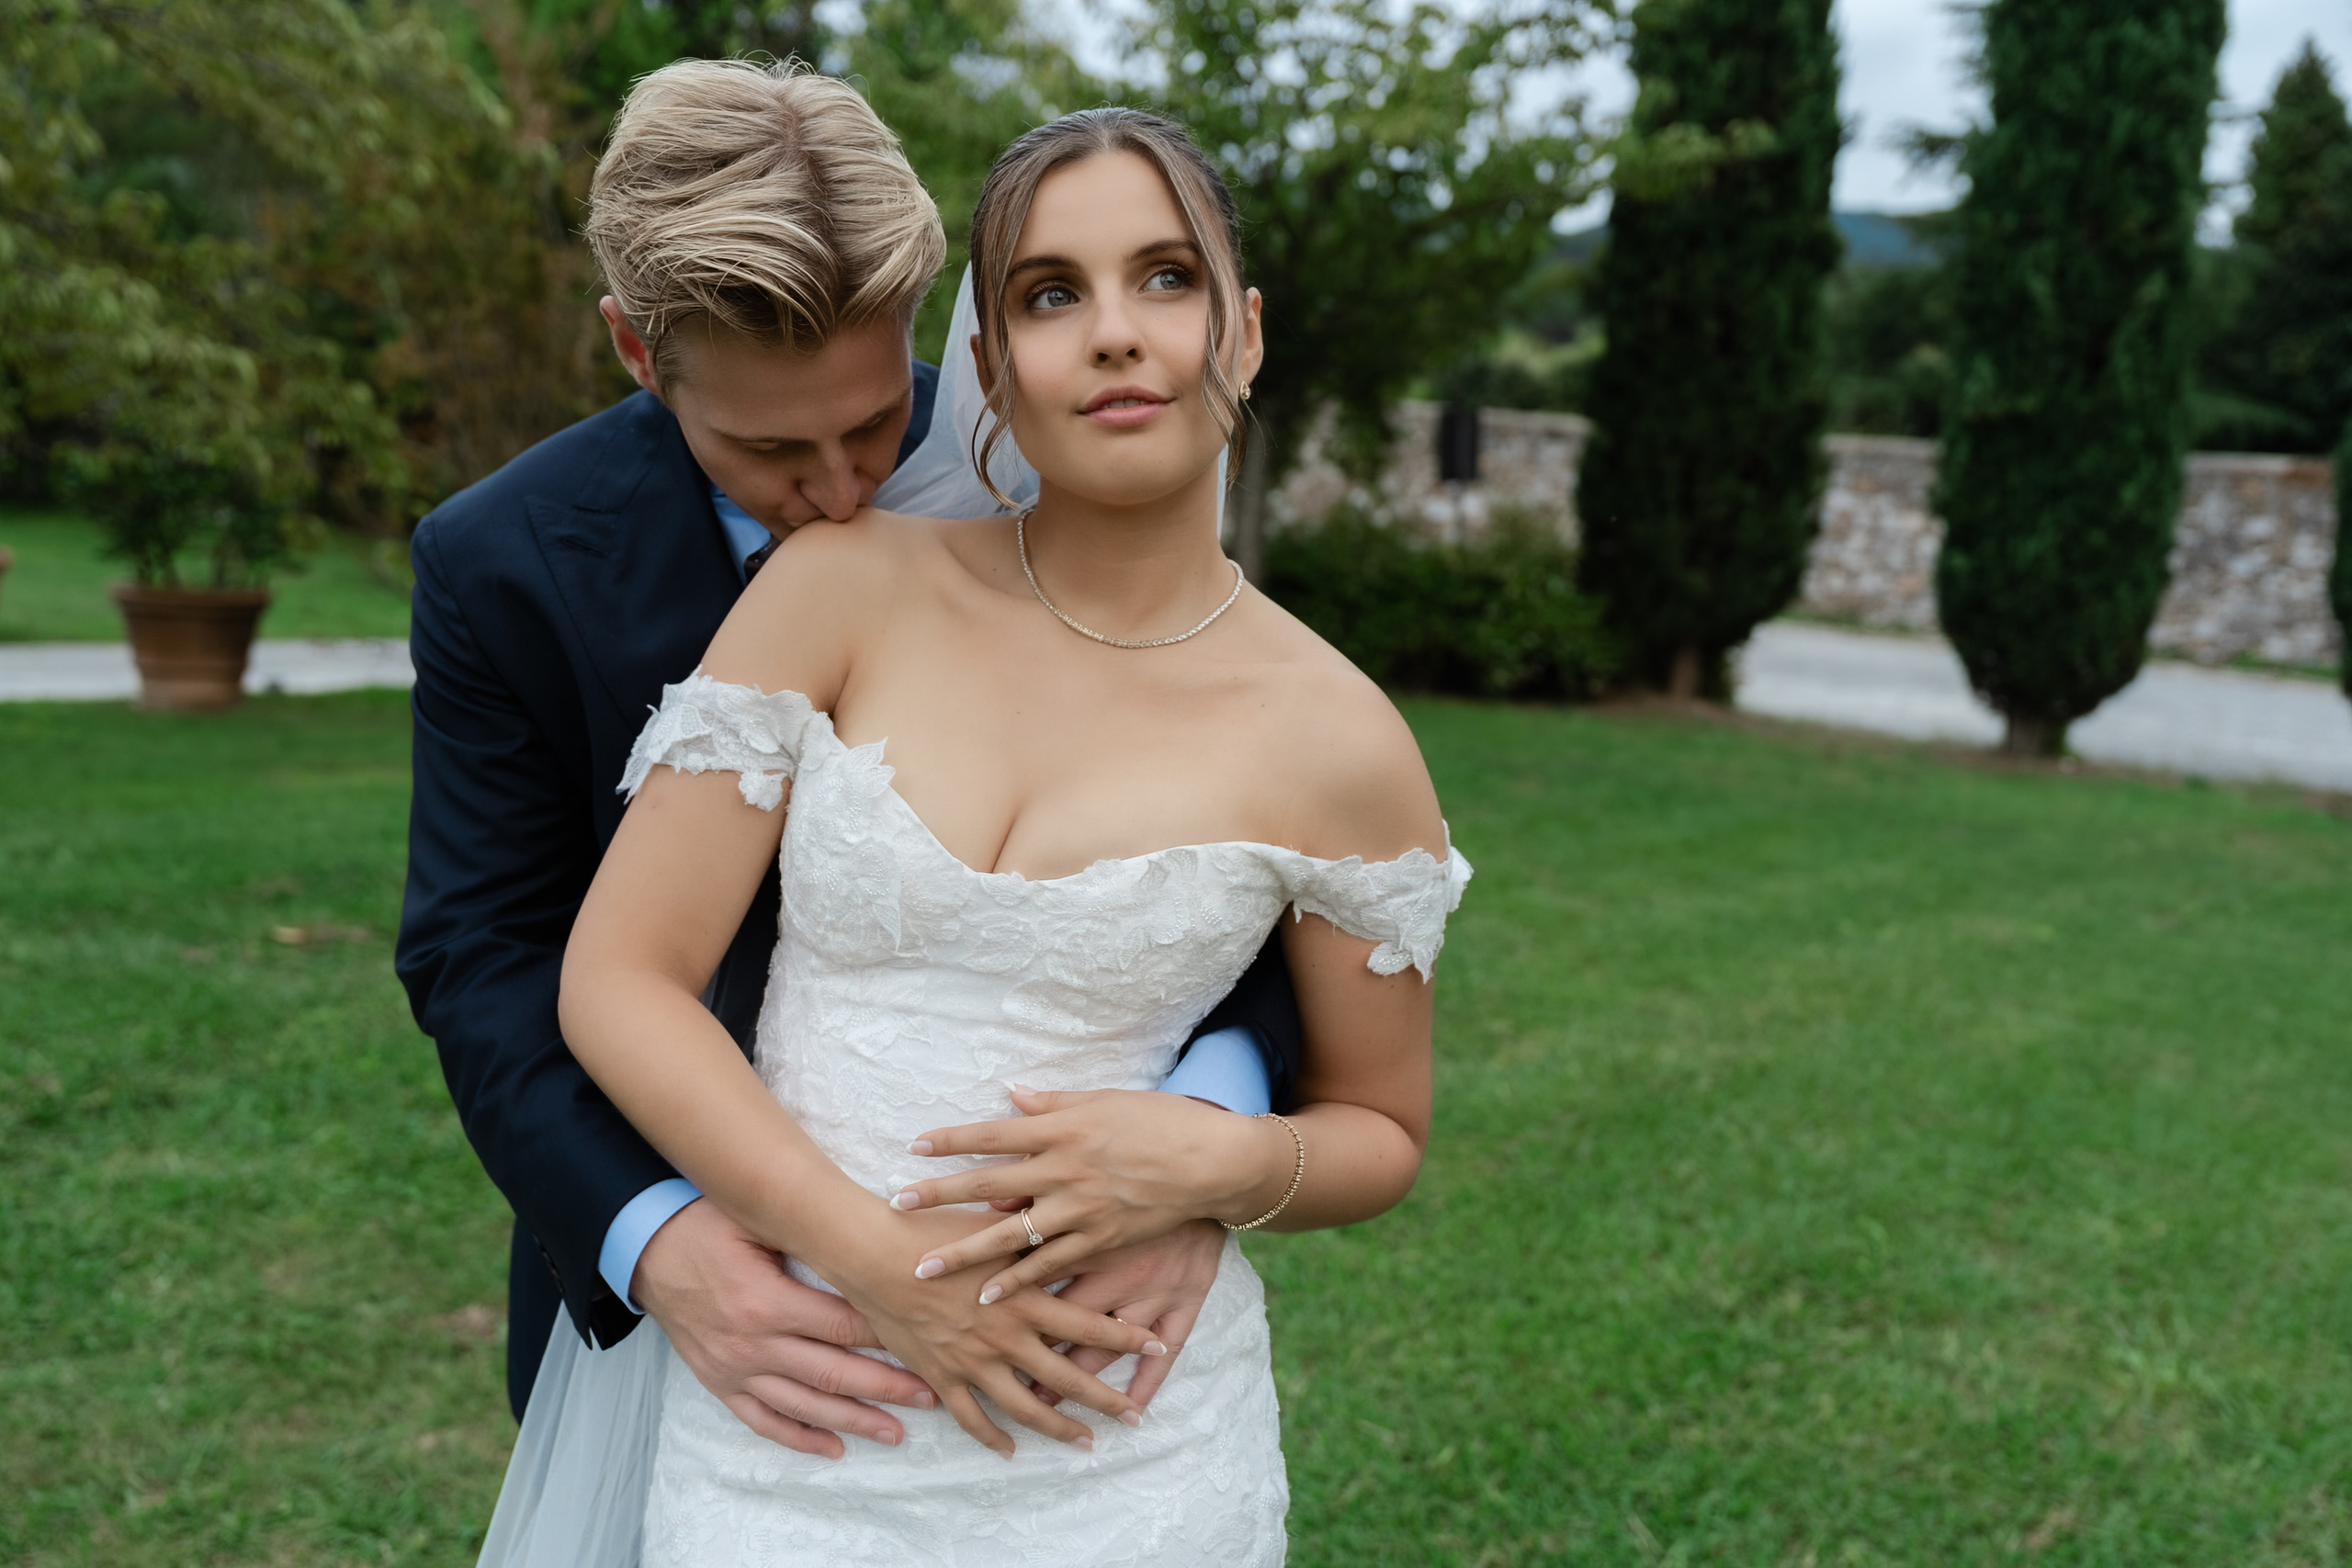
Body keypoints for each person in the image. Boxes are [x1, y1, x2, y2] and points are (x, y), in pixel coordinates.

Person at [507, 106, 1469, 1564]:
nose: (1117, 333)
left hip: (1125, 1445)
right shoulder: (840, 591)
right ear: (990, 373)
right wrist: (877, 1263)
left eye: (1167, 278)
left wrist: (1212, 1168)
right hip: (799, 1423)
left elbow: (1379, 1129)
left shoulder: (1342, 739)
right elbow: (620, 980)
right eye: (1050, 294)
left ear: (1246, 332)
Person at [392, 59, 1300, 1464]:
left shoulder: (1050, 472)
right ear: (639, 353)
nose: (841, 492)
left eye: (877, 423)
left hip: (1065, 1285)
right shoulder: (503, 563)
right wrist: (668, 1245)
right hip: (705, 1291)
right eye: (769, 449)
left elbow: (1248, 851)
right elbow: (482, 953)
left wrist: (1199, 1144)